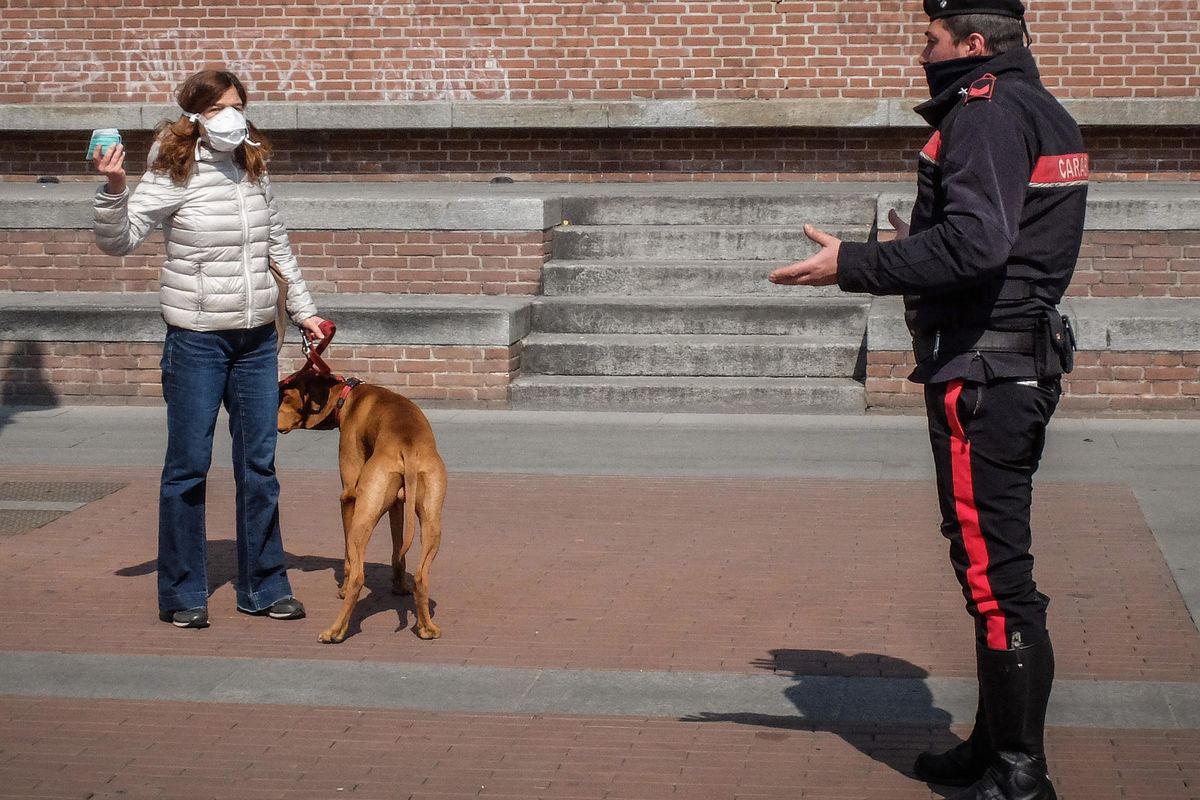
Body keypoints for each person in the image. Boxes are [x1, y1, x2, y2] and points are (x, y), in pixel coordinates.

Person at [769, 2, 1087, 798]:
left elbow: (978, 243)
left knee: (995, 579)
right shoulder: (1037, 106)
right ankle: (991, 745)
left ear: (972, 45)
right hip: (1006, 366)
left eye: (931, 38)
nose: (922, 51)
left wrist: (858, 262)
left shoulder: (985, 111)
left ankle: (1019, 774)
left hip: (985, 376)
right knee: (988, 569)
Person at [93, 69, 327, 630]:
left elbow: (278, 245)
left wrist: (306, 310)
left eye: (240, 105)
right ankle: (181, 593)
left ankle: (265, 586)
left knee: (259, 467)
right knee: (188, 469)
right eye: (222, 107)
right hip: (196, 340)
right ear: (196, 115)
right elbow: (118, 241)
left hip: (254, 343)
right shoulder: (171, 170)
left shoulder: (252, 164)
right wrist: (113, 189)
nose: (234, 116)